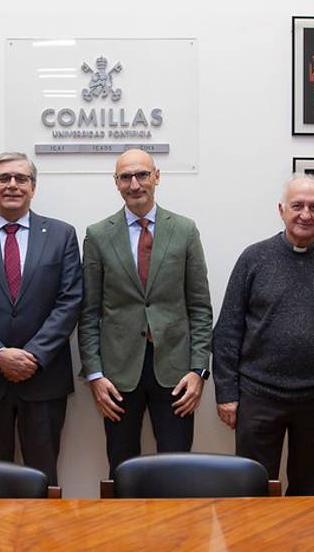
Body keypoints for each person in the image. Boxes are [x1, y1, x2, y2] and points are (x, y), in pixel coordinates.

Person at [212, 174, 314, 495]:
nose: (305, 214)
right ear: (281, 210)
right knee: (253, 491)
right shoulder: (253, 259)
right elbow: (228, 330)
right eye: (297, 206)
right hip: (258, 395)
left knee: (308, 493)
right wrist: (226, 392)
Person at [0, 152, 82, 484]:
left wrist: (33, 355)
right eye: (3, 178)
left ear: (33, 187)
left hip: (44, 378)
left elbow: (70, 301)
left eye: (20, 179)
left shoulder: (62, 235)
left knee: (44, 476)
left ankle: (43, 537)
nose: (12, 185)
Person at [78, 149, 213, 478]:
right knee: (122, 467)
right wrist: (94, 375)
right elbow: (88, 311)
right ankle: (122, 530)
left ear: (157, 177)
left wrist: (198, 370)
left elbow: (199, 307)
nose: (134, 184)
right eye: (126, 177)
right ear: (116, 183)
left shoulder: (184, 230)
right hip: (118, 375)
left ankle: (176, 531)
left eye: (141, 175)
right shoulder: (98, 235)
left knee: (177, 469)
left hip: (176, 373)